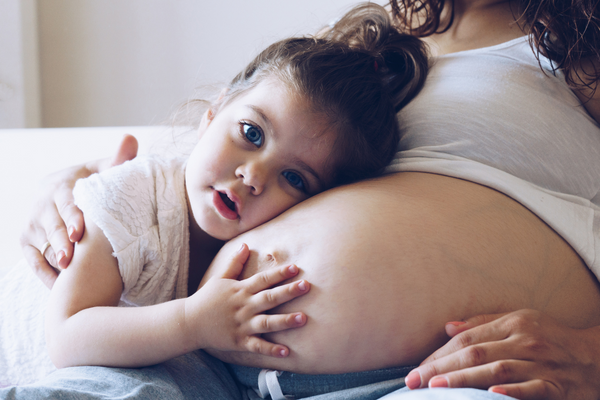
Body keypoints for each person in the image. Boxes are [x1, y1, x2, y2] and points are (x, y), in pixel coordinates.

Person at [11, 0, 600, 399]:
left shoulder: (584, 57)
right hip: (206, 346)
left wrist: (591, 354)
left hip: (444, 374)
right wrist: (70, 184)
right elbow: (227, 142)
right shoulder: (377, 40)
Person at [3, 2, 429, 383]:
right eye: (251, 133)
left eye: (295, 179)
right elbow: (66, 337)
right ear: (213, 113)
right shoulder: (132, 199)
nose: (253, 176)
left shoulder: (244, 245)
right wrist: (194, 321)